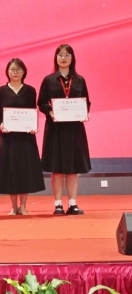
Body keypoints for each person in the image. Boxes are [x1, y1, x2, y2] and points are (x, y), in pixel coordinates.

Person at [38, 44, 91, 215]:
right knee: (58, 168)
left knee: (73, 168)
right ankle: (58, 204)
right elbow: (41, 102)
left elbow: (86, 102)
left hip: (75, 129)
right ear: (56, 58)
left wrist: (85, 113)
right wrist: (50, 112)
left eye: (67, 55)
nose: (63, 58)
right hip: (55, 129)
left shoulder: (80, 80)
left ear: (72, 58)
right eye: (60, 55)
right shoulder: (49, 80)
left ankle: (73, 204)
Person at [0, 58, 44, 214]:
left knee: (25, 169)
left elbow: (32, 112)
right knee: (10, 169)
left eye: (18, 69)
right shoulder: (0, 91)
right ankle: (14, 206)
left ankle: (24, 206)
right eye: (12, 69)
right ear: (7, 72)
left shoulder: (30, 91)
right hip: (7, 137)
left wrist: (33, 126)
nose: (15, 72)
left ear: (24, 72)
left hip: (26, 137)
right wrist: (1, 123)